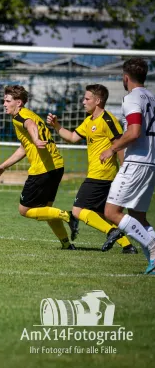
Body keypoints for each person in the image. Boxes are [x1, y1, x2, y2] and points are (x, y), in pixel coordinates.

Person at [47, 84, 138, 254]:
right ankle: (128, 246)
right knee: (103, 214)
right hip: (98, 174)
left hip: (102, 175)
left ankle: (112, 232)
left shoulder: (108, 120)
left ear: (98, 101)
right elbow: (73, 137)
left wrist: (124, 172)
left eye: (87, 99)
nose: (83, 102)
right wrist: (57, 126)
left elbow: (119, 145)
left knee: (78, 211)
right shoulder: (89, 121)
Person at [0, 85, 76, 250]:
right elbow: (23, 148)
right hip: (56, 165)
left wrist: (36, 139)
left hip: (42, 169)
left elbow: (31, 126)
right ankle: (66, 244)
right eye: (4, 101)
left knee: (24, 210)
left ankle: (67, 215)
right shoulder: (31, 114)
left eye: (7, 101)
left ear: (19, 102)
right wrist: (3, 166)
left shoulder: (20, 117)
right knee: (47, 210)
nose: (4, 104)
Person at [99, 58, 155, 274]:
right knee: (139, 216)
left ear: (125, 77)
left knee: (111, 211)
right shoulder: (151, 97)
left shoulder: (132, 98)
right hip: (150, 162)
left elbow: (133, 132)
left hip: (137, 161)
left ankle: (151, 248)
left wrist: (112, 149)